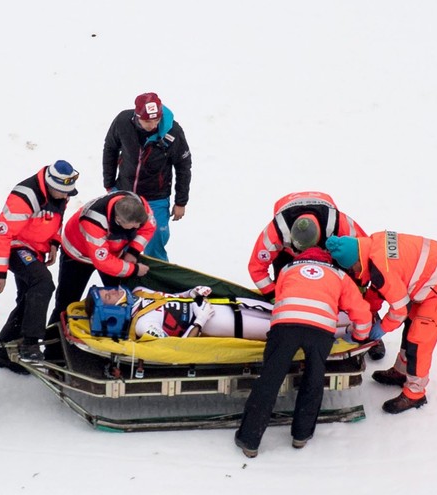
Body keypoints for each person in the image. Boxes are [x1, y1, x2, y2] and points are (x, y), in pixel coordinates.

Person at [234, 247, 374, 458]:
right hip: (320, 331)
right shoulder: (339, 275)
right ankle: (301, 435)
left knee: (269, 381)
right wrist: (360, 337)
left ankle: (249, 440)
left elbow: (279, 296)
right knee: (313, 380)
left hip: (285, 326)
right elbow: (361, 312)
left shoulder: (287, 269)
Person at [326, 231, 437, 414]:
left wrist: (380, 328)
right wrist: (369, 310)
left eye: (353, 269)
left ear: (357, 262)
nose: (355, 273)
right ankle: (402, 372)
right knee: (411, 324)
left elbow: (400, 310)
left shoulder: (381, 267)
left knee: (419, 338)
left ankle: (415, 393)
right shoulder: (372, 245)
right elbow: (378, 288)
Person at [246, 191, 385, 360]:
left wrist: (360, 296)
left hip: (329, 248)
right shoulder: (275, 232)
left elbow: (365, 258)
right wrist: (275, 295)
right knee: (287, 279)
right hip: (288, 252)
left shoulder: (342, 226)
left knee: (346, 274)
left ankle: (369, 325)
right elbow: (256, 268)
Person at [0, 161, 79, 366]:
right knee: (43, 282)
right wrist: (0, 273)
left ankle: (3, 353)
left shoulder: (59, 193)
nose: (67, 197)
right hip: (15, 246)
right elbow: (1, 234)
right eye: (64, 193)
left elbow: (56, 219)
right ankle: (30, 344)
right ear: (50, 185)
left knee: (28, 300)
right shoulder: (25, 197)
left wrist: (54, 242)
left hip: (34, 249)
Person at [43, 192, 156, 357]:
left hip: (111, 252)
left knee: (121, 300)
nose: (136, 229)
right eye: (133, 227)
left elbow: (148, 228)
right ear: (119, 220)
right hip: (78, 254)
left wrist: (132, 251)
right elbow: (103, 262)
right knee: (66, 303)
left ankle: (115, 347)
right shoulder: (94, 221)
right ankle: (53, 351)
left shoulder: (138, 205)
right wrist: (133, 269)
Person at [86, 284, 355, 341]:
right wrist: (201, 318)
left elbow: (171, 298)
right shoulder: (145, 325)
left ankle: (350, 318)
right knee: (291, 325)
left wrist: (191, 293)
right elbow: (180, 348)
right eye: (108, 296)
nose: (112, 291)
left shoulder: (142, 293)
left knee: (287, 310)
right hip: (220, 323)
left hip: (227, 304)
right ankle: (346, 334)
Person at [102, 92, 192, 262]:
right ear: (137, 116)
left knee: (156, 237)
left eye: (156, 120)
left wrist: (181, 201)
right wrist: (109, 185)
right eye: (147, 121)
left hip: (156, 197)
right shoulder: (122, 121)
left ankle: (157, 279)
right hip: (124, 193)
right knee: (121, 238)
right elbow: (110, 149)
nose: (152, 125)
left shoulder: (173, 131)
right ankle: (121, 278)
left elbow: (183, 167)